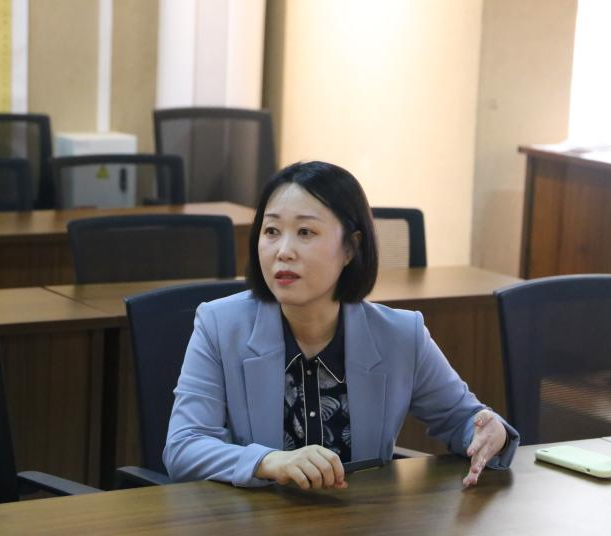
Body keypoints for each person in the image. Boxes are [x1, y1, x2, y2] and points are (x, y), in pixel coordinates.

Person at [164, 161, 519, 490]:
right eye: (271, 231)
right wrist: (268, 461)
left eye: (305, 232)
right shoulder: (219, 325)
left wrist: (489, 433)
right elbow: (184, 447)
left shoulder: (401, 335)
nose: (283, 251)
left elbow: (464, 419)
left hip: (361, 521)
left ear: (350, 247)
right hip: (253, 521)